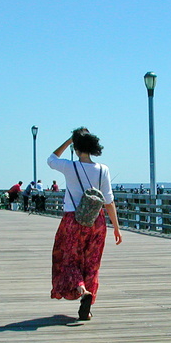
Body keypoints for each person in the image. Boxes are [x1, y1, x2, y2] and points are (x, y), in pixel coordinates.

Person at [47, 127, 122, 321]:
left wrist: (68, 141)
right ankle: (87, 309)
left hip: (73, 220)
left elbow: (51, 159)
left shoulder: (69, 167)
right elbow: (109, 201)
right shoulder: (103, 169)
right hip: (96, 221)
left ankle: (81, 287)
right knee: (92, 262)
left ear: (77, 147)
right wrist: (116, 227)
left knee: (69, 258)